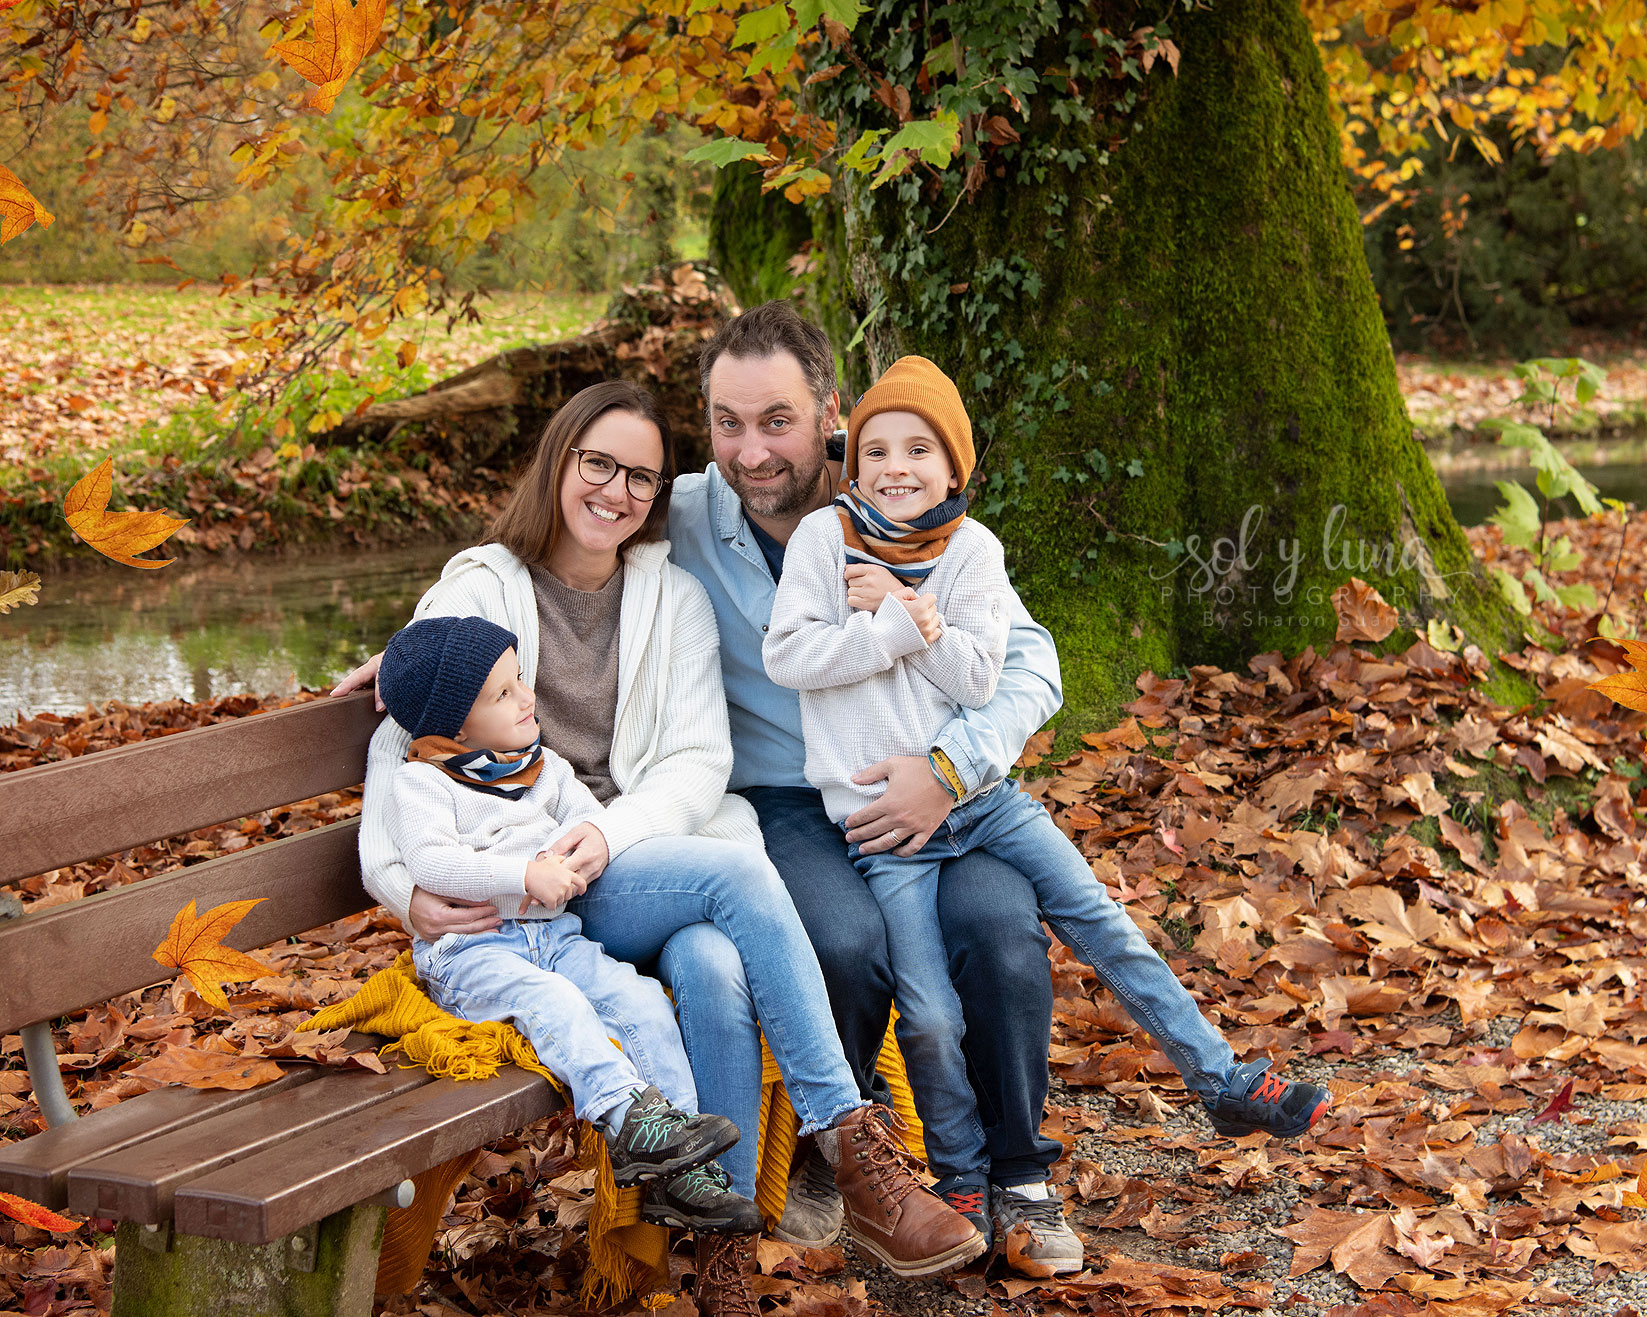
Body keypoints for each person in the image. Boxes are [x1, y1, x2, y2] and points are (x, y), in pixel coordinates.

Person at [332, 381, 986, 1309]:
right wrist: (404, 894)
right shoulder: (482, 584)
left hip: (622, 856)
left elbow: (693, 762)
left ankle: (711, 1244)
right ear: (560, 461)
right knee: (735, 877)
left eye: (642, 475)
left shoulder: (671, 595)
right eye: (598, 463)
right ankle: (848, 1136)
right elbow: (401, 743)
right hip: (521, 883)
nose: (618, 490)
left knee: (714, 961)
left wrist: (605, 831)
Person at [764, 355, 1332, 1234]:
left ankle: (1221, 1078)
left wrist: (914, 613)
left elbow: (985, 672)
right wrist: (888, 628)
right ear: (852, 460)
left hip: (982, 798)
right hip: (882, 828)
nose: (894, 468)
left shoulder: (974, 551)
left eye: (919, 450)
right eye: (875, 450)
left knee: (1104, 922)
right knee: (928, 1011)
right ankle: (960, 1177)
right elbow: (790, 657)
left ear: (955, 469)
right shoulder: (821, 543)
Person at [663, 304, 1087, 1274]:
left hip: (928, 786)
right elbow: (541, 532)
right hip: (783, 797)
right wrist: (428, 639)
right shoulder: (689, 510)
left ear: (828, 415)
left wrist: (948, 773)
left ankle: (1019, 1179)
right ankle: (843, 1156)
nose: (750, 449)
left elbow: (1031, 669)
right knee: (845, 942)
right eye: (727, 422)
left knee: (1000, 924)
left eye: (775, 420)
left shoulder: (910, 511)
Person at [374, 614, 758, 1235]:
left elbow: (584, 820)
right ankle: (627, 1117)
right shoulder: (423, 782)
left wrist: (582, 847)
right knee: (554, 1001)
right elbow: (431, 863)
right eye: (504, 693)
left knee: (639, 1002)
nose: (527, 697)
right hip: (473, 951)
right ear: (453, 724)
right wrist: (524, 872)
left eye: (521, 679)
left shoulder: (540, 766)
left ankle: (681, 1165)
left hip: (554, 937)